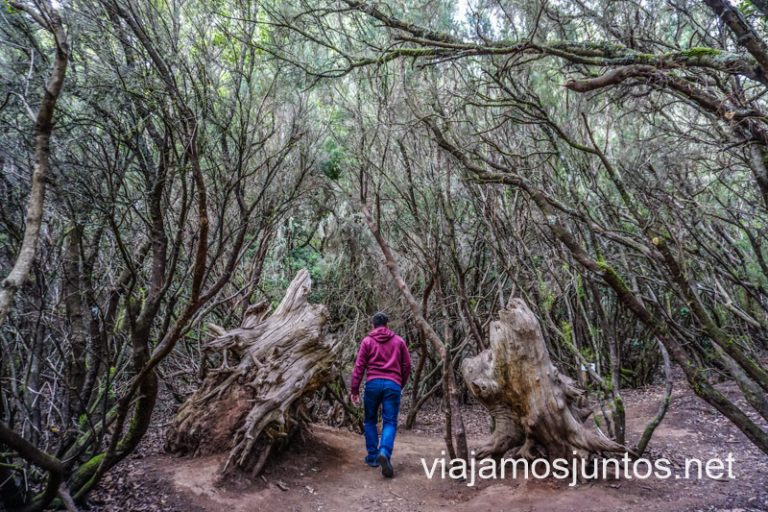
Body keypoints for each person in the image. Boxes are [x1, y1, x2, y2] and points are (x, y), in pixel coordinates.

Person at [350, 312, 412, 478]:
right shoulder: (398, 341)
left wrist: (354, 389)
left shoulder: (367, 341)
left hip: (372, 384)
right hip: (392, 384)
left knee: (370, 420)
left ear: (373, 325)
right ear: (387, 325)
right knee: (390, 421)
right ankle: (384, 451)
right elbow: (407, 365)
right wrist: (400, 382)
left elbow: (359, 367)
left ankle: (372, 457)